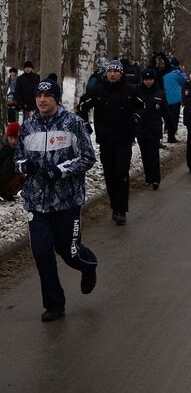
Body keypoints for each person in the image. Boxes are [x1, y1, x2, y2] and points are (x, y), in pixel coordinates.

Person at [14, 79, 97, 321]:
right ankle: (54, 303)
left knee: (68, 251)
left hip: (67, 201)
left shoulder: (73, 123)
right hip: (36, 202)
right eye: (39, 97)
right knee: (41, 252)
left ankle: (88, 265)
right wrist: (23, 166)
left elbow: (88, 158)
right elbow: (18, 158)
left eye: (47, 96)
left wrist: (61, 170)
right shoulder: (28, 126)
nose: (42, 100)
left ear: (56, 98)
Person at [78, 59, 143, 224]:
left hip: (124, 138)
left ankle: (121, 210)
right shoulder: (97, 91)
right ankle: (115, 205)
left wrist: (136, 117)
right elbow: (82, 106)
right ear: (106, 73)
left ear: (121, 73)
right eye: (110, 71)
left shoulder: (130, 90)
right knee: (110, 174)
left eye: (116, 71)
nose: (112, 74)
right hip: (105, 139)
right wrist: (85, 124)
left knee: (121, 173)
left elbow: (141, 105)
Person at [135, 68, 166, 188]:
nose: (148, 82)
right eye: (146, 79)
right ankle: (148, 177)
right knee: (145, 154)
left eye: (151, 79)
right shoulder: (137, 91)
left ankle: (155, 179)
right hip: (141, 128)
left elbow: (165, 110)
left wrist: (170, 126)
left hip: (154, 128)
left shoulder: (160, 92)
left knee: (153, 154)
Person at [163, 57, 186, 142]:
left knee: (167, 116)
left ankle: (166, 129)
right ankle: (171, 136)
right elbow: (184, 82)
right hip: (175, 99)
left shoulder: (164, 73)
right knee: (174, 117)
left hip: (165, 98)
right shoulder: (178, 74)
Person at [0, 121, 24, 201]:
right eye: (11, 138)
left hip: (11, 180)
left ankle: (7, 192)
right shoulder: (3, 149)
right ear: (7, 137)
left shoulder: (23, 149)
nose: (13, 141)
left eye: (16, 138)